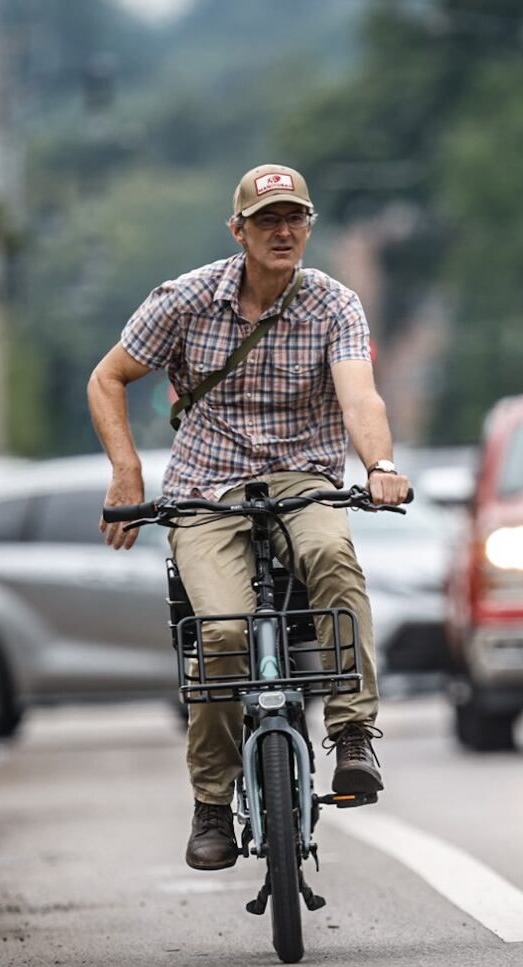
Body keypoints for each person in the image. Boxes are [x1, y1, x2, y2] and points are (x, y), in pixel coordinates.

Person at [87, 163, 410, 870]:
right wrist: (126, 471)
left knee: (332, 559)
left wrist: (380, 467)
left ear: (309, 227)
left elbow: (360, 399)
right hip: (206, 489)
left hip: (303, 479)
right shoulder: (185, 299)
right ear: (239, 231)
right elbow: (107, 376)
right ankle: (210, 803)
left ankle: (353, 737)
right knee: (222, 636)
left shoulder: (334, 305)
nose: (283, 232)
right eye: (268, 221)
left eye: (295, 219)